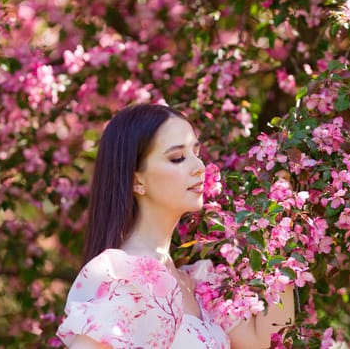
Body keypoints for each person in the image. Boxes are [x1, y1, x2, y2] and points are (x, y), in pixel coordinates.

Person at [56, 104, 295, 349]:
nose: (199, 167)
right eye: (178, 158)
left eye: (196, 152)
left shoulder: (199, 283)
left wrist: (279, 232)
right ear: (137, 180)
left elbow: (267, 341)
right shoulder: (120, 278)